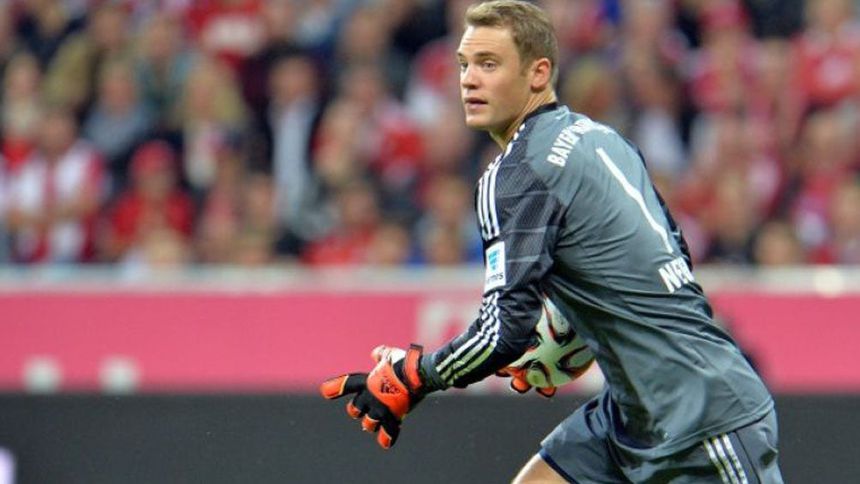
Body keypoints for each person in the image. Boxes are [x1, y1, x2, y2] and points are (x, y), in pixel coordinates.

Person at [321, 2, 782, 483]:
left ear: (538, 73)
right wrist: (572, 328)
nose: (469, 80)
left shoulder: (517, 174)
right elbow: (666, 259)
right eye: (464, 65)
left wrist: (415, 376)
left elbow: (502, 333)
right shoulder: (605, 140)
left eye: (489, 64)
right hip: (631, 411)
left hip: (702, 417)